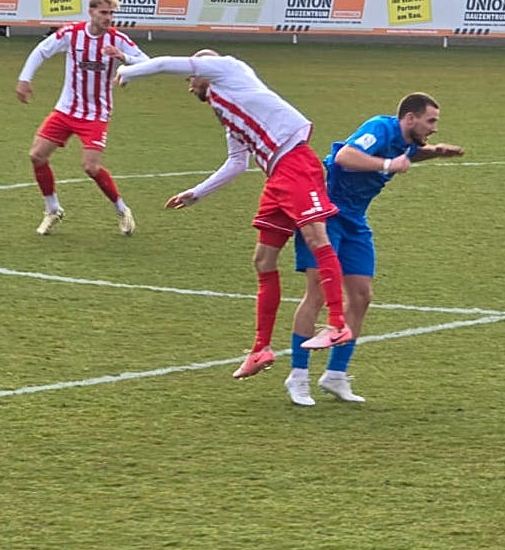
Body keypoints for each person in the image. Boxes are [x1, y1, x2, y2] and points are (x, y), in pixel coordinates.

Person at [113, 50, 353, 379]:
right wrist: (197, 193)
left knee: (316, 237)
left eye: (191, 79)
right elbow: (237, 163)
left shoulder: (226, 68)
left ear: (204, 70)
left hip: (296, 163)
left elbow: (166, 63)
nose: (189, 86)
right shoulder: (226, 109)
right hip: (277, 175)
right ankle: (260, 349)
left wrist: (129, 71)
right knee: (263, 260)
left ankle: (338, 325)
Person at [284, 94, 464, 405]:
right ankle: (298, 376)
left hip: (355, 220)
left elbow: (408, 153)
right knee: (318, 292)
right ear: (410, 118)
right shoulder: (380, 127)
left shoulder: (408, 140)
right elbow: (346, 157)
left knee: (361, 296)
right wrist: (387, 165)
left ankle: (336, 375)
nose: (434, 127)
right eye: (431, 121)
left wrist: (434, 152)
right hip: (325, 215)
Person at [15, 0, 148, 237]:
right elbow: (41, 50)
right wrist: (25, 78)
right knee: (37, 155)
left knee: (90, 167)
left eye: (111, 13)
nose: (108, 18)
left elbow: (147, 63)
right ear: (91, 12)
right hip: (66, 110)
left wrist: (124, 59)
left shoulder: (118, 39)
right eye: (104, 13)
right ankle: (52, 209)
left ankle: (122, 209)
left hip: (96, 114)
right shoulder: (72, 33)